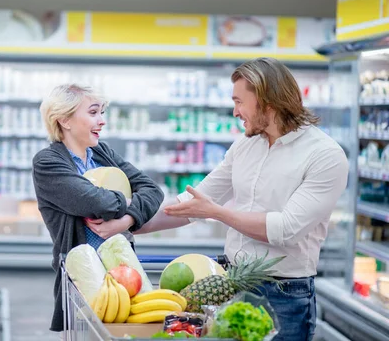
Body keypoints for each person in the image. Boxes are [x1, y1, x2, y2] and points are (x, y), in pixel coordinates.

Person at [136, 58, 349, 341]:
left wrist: (218, 213)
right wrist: (131, 222)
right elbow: (194, 202)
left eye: (239, 102)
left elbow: (285, 229)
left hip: (284, 296)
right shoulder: (246, 145)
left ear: (268, 101)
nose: (235, 112)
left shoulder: (325, 155)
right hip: (232, 285)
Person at [32, 84, 164, 334]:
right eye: (93, 112)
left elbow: (152, 190)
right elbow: (94, 201)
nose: (102, 121)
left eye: (102, 112)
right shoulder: (47, 163)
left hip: (123, 266)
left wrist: (125, 221)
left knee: (132, 332)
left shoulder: (102, 153)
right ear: (65, 120)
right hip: (84, 277)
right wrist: (125, 200)